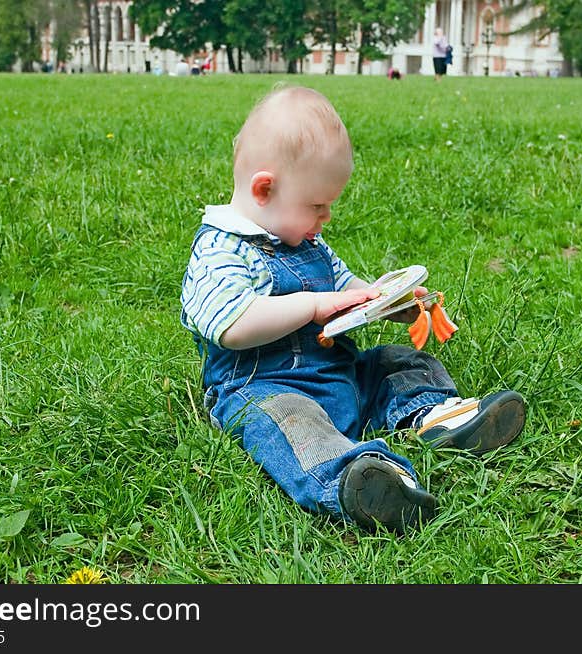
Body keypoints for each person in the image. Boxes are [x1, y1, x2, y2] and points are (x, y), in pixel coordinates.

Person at [179, 85, 527, 535]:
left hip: (340, 375)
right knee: (291, 426)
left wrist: (390, 303)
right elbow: (232, 325)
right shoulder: (220, 249)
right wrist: (314, 305)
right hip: (265, 388)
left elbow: (348, 289)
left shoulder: (305, 240)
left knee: (398, 362)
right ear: (264, 189)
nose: (325, 219)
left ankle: (440, 416)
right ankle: (359, 478)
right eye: (316, 206)